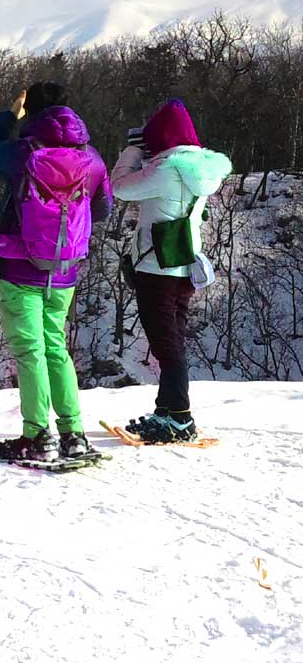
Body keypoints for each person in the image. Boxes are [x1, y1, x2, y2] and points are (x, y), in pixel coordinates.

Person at [0, 83, 113, 461]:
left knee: (29, 351)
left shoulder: (22, 154)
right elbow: (102, 211)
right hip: (63, 271)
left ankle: (37, 435)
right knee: (56, 347)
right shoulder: (92, 159)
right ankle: (73, 433)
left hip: (19, 267)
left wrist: (7, 116)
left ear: (30, 113)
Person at [111, 99, 232, 443]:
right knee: (172, 340)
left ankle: (179, 418)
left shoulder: (166, 170)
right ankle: (166, 410)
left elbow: (119, 186)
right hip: (183, 265)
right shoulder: (200, 169)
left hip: (156, 269)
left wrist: (133, 151)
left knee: (167, 347)